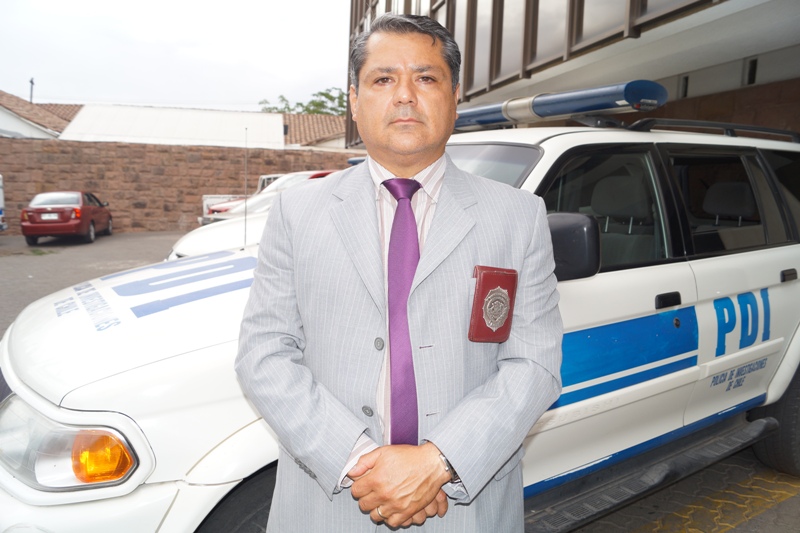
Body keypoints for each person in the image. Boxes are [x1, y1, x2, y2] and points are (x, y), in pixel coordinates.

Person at [235, 13, 562, 532]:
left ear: (455, 96)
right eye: (383, 79)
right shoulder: (298, 212)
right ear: (354, 100)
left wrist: (437, 462)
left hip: (463, 506)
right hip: (330, 504)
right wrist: (362, 463)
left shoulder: (518, 216)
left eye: (426, 78)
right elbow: (264, 353)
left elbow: (534, 364)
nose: (405, 96)